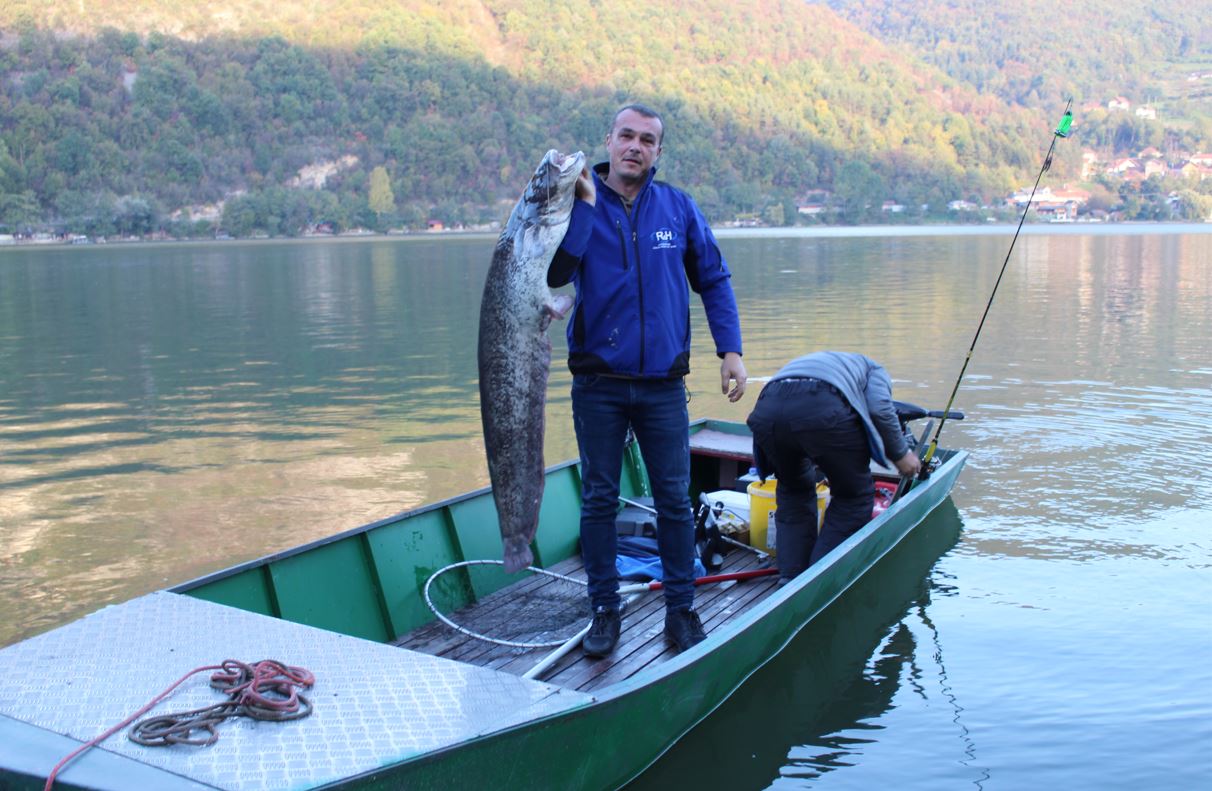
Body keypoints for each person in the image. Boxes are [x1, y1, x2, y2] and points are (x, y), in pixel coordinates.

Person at [547, 103, 747, 657]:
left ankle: (681, 611)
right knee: (599, 501)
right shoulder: (576, 207)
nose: (635, 146)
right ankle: (604, 612)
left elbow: (714, 278)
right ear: (608, 141)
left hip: (662, 385)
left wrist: (730, 351)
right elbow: (556, 275)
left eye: (647, 140)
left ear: (658, 152)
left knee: (676, 502)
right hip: (598, 384)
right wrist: (585, 207)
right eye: (626, 136)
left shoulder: (676, 208)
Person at [745, 351, 921, 582]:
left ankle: (790, 578)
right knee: (853, 497)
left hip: (767, 409)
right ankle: (819, 581)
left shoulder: (827, 363)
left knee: (793, 491)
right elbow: (879, 409)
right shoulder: (875, 370)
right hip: (820, 407)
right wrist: (901, 454)